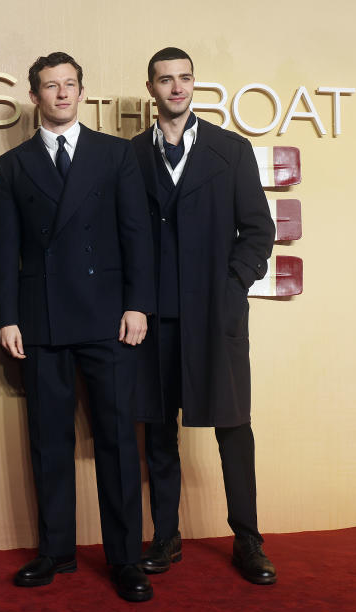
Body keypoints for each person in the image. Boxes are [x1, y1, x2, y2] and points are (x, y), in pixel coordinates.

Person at [0, 52, 157, 602]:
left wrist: (138, 305)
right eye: (50, 86)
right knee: (49, 442)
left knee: (114, 440)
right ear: (34, 96)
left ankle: (126, 559)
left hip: (109, 317)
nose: (61, 94)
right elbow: (5, 250)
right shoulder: (14, 164)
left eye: (69, 85)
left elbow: (137, 233)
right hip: (42, 320)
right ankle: (55, 551)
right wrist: (8, 316)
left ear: (81, 92)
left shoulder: (114, 154)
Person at [129, 47, 277, 584]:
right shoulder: (132, 157)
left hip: (216, 316)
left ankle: (248, 541)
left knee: (234, 428)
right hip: (153, 320)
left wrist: (232, 281)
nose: (176, 88)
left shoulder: (230, 150)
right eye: (165, 80)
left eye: (184, 78)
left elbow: (259, 230)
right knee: (159, 432)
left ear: (194, 84)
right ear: (151, 88)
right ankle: (166, 537)